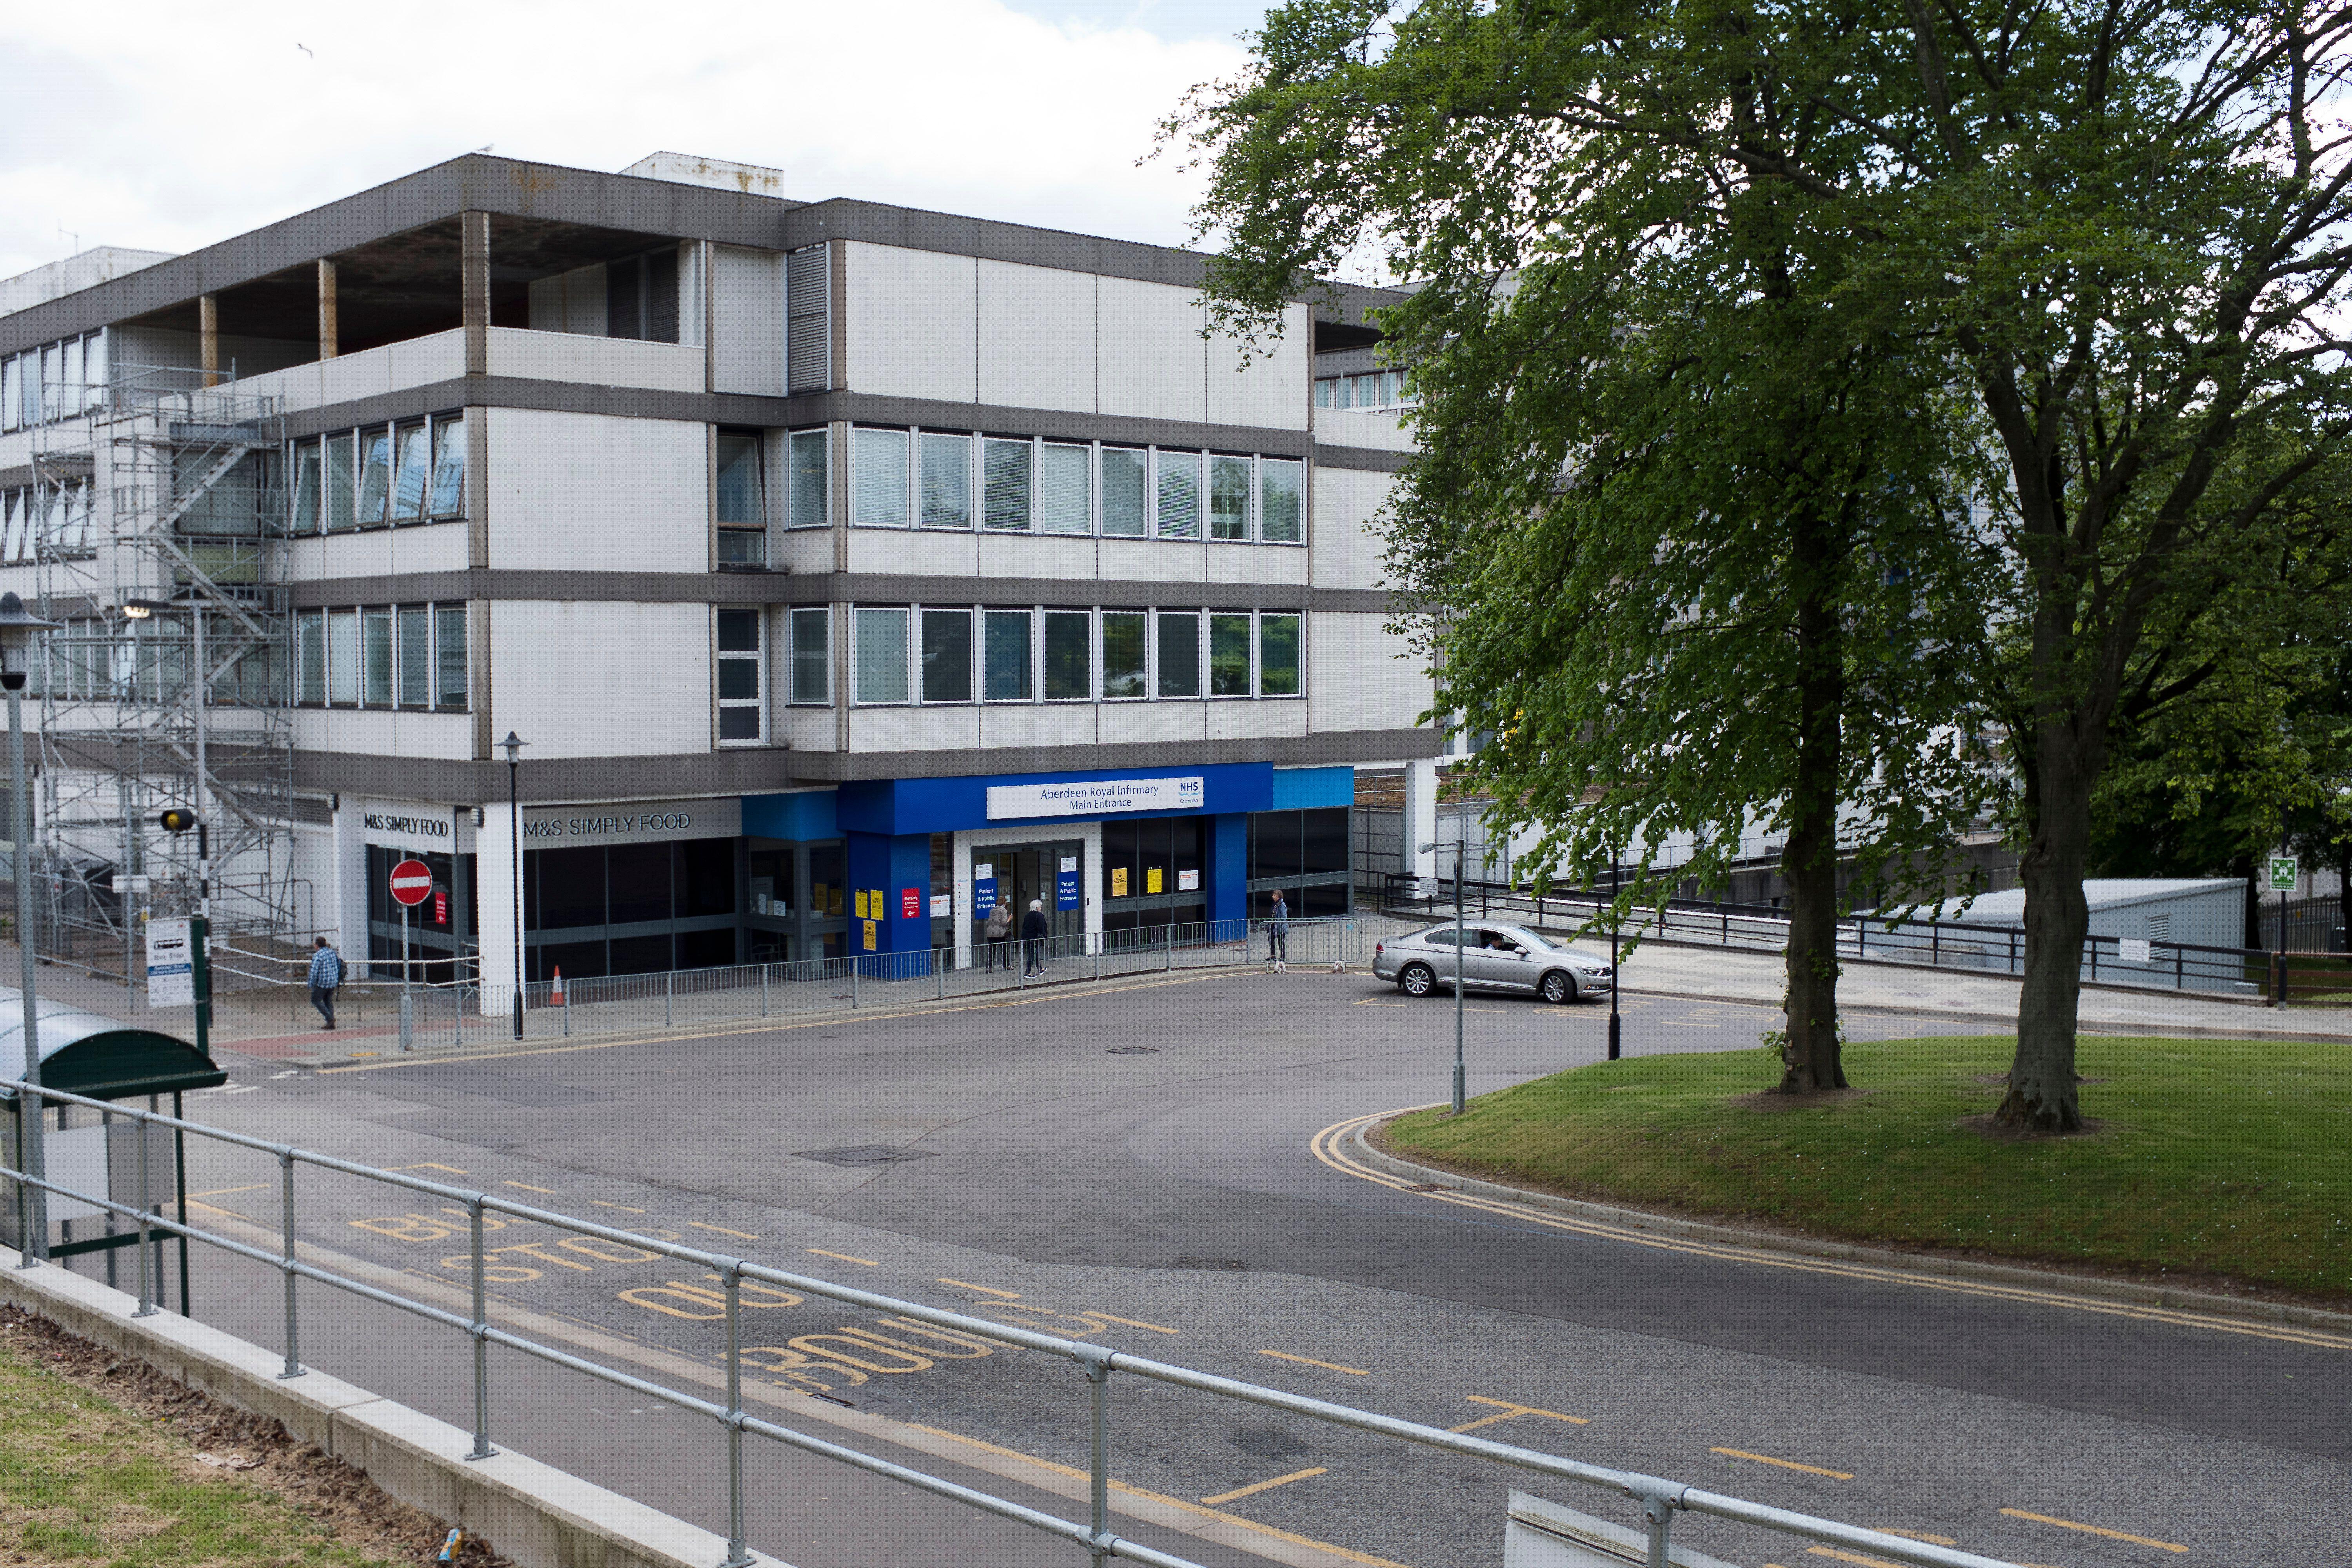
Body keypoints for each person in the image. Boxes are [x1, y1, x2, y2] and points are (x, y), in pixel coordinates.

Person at [307, 935, 344, 1029]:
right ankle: (331, 1024)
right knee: (328, 1001)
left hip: (323, 983)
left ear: (316, 945)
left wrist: (310, 984)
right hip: (333, 981)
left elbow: (314, 972)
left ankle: (330, 1018)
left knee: (315, 1000)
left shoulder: (318, 955)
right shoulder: (332, 952)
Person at [1020, 898, 1050, 976]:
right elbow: (1041, 927)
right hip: (1035, 938)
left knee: (1035, 953)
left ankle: (1041, 969)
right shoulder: (1039, 915)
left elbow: (1024, 926)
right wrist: (1045, 935)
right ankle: (1028, 973)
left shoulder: (1027, 915)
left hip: (1027, 937)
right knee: (1033, 954)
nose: (1041, 908)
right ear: (1037, 908)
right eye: (1040, 907)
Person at [983, 898, 1014, 971]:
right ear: (1003, 903)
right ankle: (1007, 966)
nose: (1006, 905)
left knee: (991, 951)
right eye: (1005, 903)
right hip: (1000, 933)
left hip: (990, 933)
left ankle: (989, 968)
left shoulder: (992, 910)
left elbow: (989, 921)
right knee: (1004, 950)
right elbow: (1004, 923)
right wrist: (1009, 919)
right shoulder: (1003, 911)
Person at [1267, 890, 1290, 970]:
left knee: (1281, 941)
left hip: (1280, 926)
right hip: (1274, 926)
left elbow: (1284, 917)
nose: (1273, 896)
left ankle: (1283, 958)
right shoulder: (1276, 904)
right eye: (1273, 895)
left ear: (1279, 896)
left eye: (1275, 895)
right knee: (1270, 938)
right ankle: (1273, 955)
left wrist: (1281, 926)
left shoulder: (1282, 905)